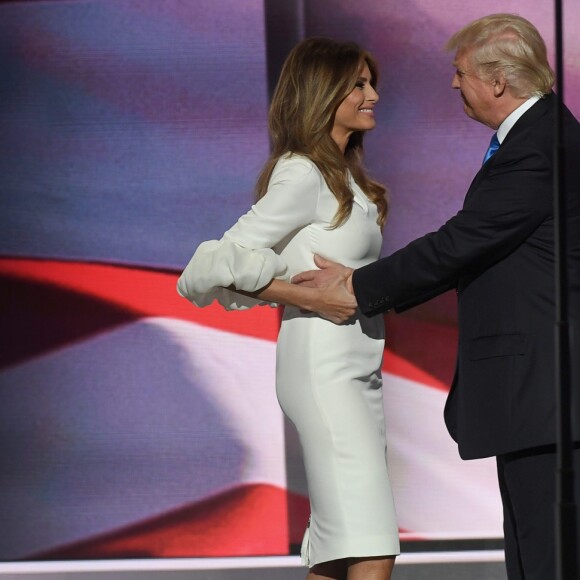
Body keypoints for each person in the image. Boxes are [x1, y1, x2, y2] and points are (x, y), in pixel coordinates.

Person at [293, 13, 580, 580]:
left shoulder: (538, 147)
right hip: (537, 399)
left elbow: (461, 243)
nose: (453, 84)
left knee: (548, 559)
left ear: (498, 80)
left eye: (461, 72)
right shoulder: (537, 137)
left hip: (546, 394)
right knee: (533, 557)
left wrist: (354, 286)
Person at [177, 38, 399, 579]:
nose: (372, 95)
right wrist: (305, 294)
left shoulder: (345, 178)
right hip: (323, 370)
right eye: (359, 84)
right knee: (372, 539)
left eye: (371, 83)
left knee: (338, 541)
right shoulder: (303, 173)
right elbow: (206, 268)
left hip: (357, 370)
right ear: (324, 93)